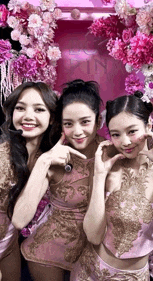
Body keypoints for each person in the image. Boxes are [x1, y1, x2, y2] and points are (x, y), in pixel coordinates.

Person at [70, 93, 153, 281]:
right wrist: (99, 176)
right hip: (88, 271)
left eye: (132, 131)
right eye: (116, 134)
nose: (124, 142)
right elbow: (93, 235)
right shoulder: (106, 167)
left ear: (148, 126)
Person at [12, 79, 104, 281]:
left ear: (99, 121)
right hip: (47, 253)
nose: (78, 132)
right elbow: (19, 220)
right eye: (68, 124)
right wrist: (44, 161)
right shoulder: (52, 158)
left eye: (85, 122)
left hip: (95, 253)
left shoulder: (111, 153)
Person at [0, 81, 57, 281]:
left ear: (51, 118)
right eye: (20, 108)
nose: (28, 116)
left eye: (39, 109)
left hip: (9, 248)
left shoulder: (46, 157)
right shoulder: (2, 157)